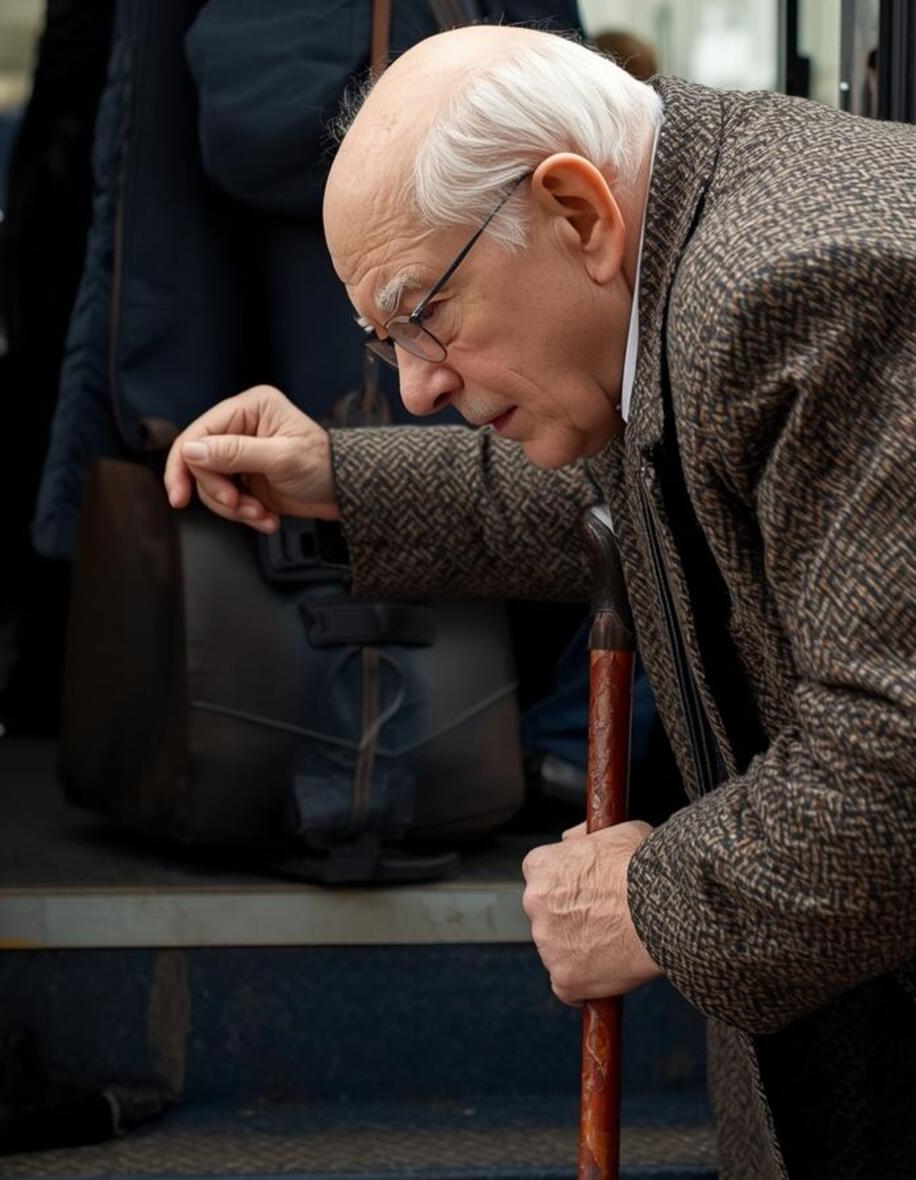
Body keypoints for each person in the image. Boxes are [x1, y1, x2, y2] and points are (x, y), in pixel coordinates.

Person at [162, 26, 916, 1179]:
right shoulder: (700, 242)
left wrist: (650, 900)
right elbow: (650, 474)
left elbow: (897, 756)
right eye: (384, 339)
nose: (416, 385)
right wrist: (334, 476)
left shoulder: (805, 283)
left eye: (425, 313)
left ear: (575, 211)